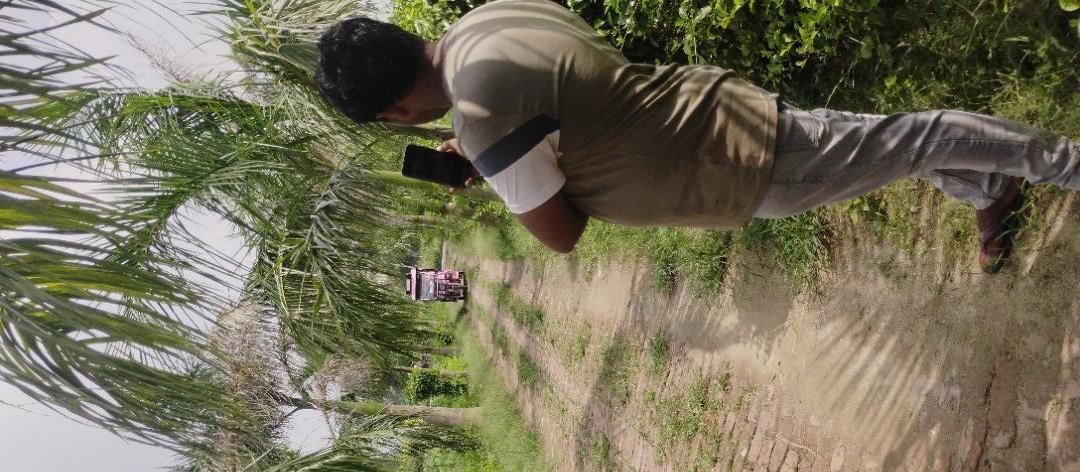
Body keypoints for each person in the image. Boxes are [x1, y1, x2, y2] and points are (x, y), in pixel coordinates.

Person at [315, 0, 1079, 271]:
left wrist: (490, 162)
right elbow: (571, 97)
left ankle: (1062, 163)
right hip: (705, 109)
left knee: (906, 141)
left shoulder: (481, 122)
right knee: (878, 151)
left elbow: (561, 233)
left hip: (727, 161)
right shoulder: (481, 22)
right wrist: (497, 158)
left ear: (394, 113)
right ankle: (990, 187)